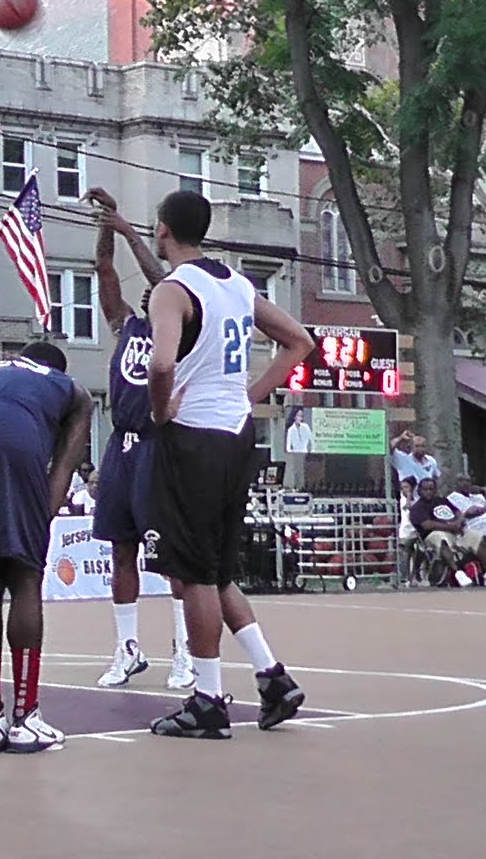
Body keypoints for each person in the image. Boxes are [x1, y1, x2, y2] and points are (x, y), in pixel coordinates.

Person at [142, 190, 313, 740]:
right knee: (215, 569)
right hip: (235, 434)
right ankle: (271, 675)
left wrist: (160, 409)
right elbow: (298, 341)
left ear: (163, 230)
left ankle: (209, 699)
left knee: (191, 571)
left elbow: (162, 362)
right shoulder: (237, 285)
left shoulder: (171, 290)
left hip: (193, 435)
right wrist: (249, 395)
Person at [0, 343, 93, 754]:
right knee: (25, 577)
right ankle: (26, 718)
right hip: (13, 437)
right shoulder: (69, 389)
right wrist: (36, 524)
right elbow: (63, 465)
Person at [85, 188, 193, 692]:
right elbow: (105, 272)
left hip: (160, 445)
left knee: (169, 554)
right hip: (122, 446)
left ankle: (185, 650)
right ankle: (127, 649)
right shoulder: (126, 326)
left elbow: (169, 279)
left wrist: (129, 229)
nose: (153, 295)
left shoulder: (182, 330)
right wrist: (107, 224)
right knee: (120, 551)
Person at [446, 475, 486, 586]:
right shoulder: (452, 497)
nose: (466, 483)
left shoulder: (478, 497)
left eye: (468, 481)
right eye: (462, 481)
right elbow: (471, 511)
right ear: (455, 483)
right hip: (478, 528)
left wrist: (484, 493)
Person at [410, 476, 472, 583]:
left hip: (456, 532)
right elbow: (428, 525)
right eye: (425, 489)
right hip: (433, 535)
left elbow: (459, 513)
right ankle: (458, 573)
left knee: (478, 536)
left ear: (435, 490)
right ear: (419, 491)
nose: (428, 492)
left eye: (431, 489)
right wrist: (451, 526)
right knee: (441, 539)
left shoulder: (442, 500)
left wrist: (458, 522)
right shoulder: (417, 508)